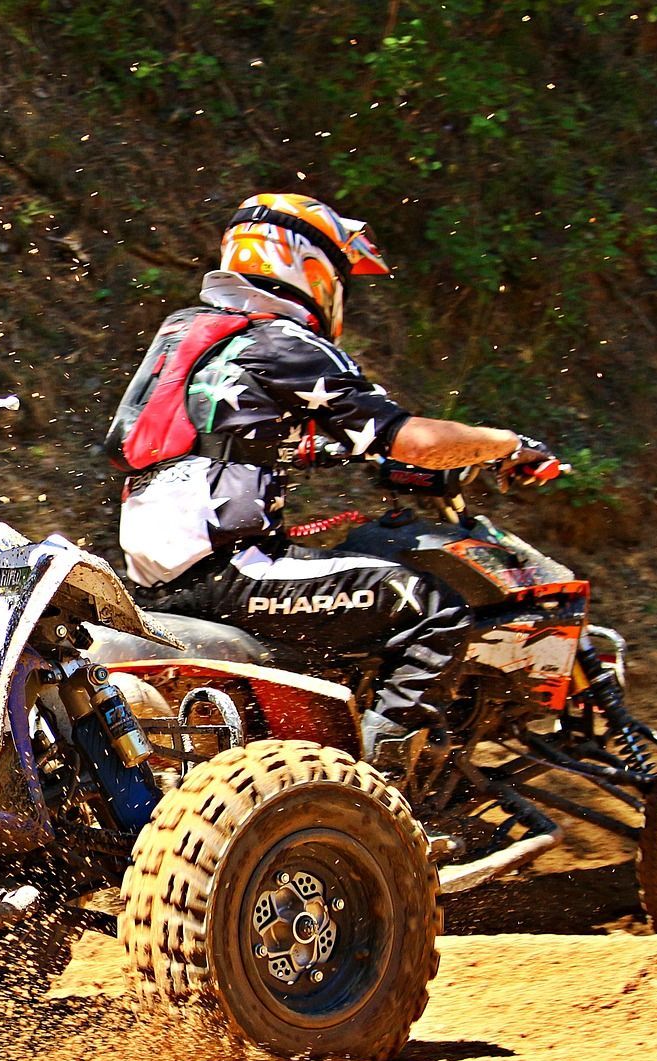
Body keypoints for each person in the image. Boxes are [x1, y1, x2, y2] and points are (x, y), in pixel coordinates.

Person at [105, 192, 562, 782]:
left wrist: (339, 449)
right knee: (435, 606)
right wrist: (507, 444)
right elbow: (413, 440)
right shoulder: (283, 340)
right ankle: (382, 792)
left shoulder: (187, 335)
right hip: (233, 575)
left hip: (156, 581)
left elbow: (224, 433)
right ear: (309, 267)